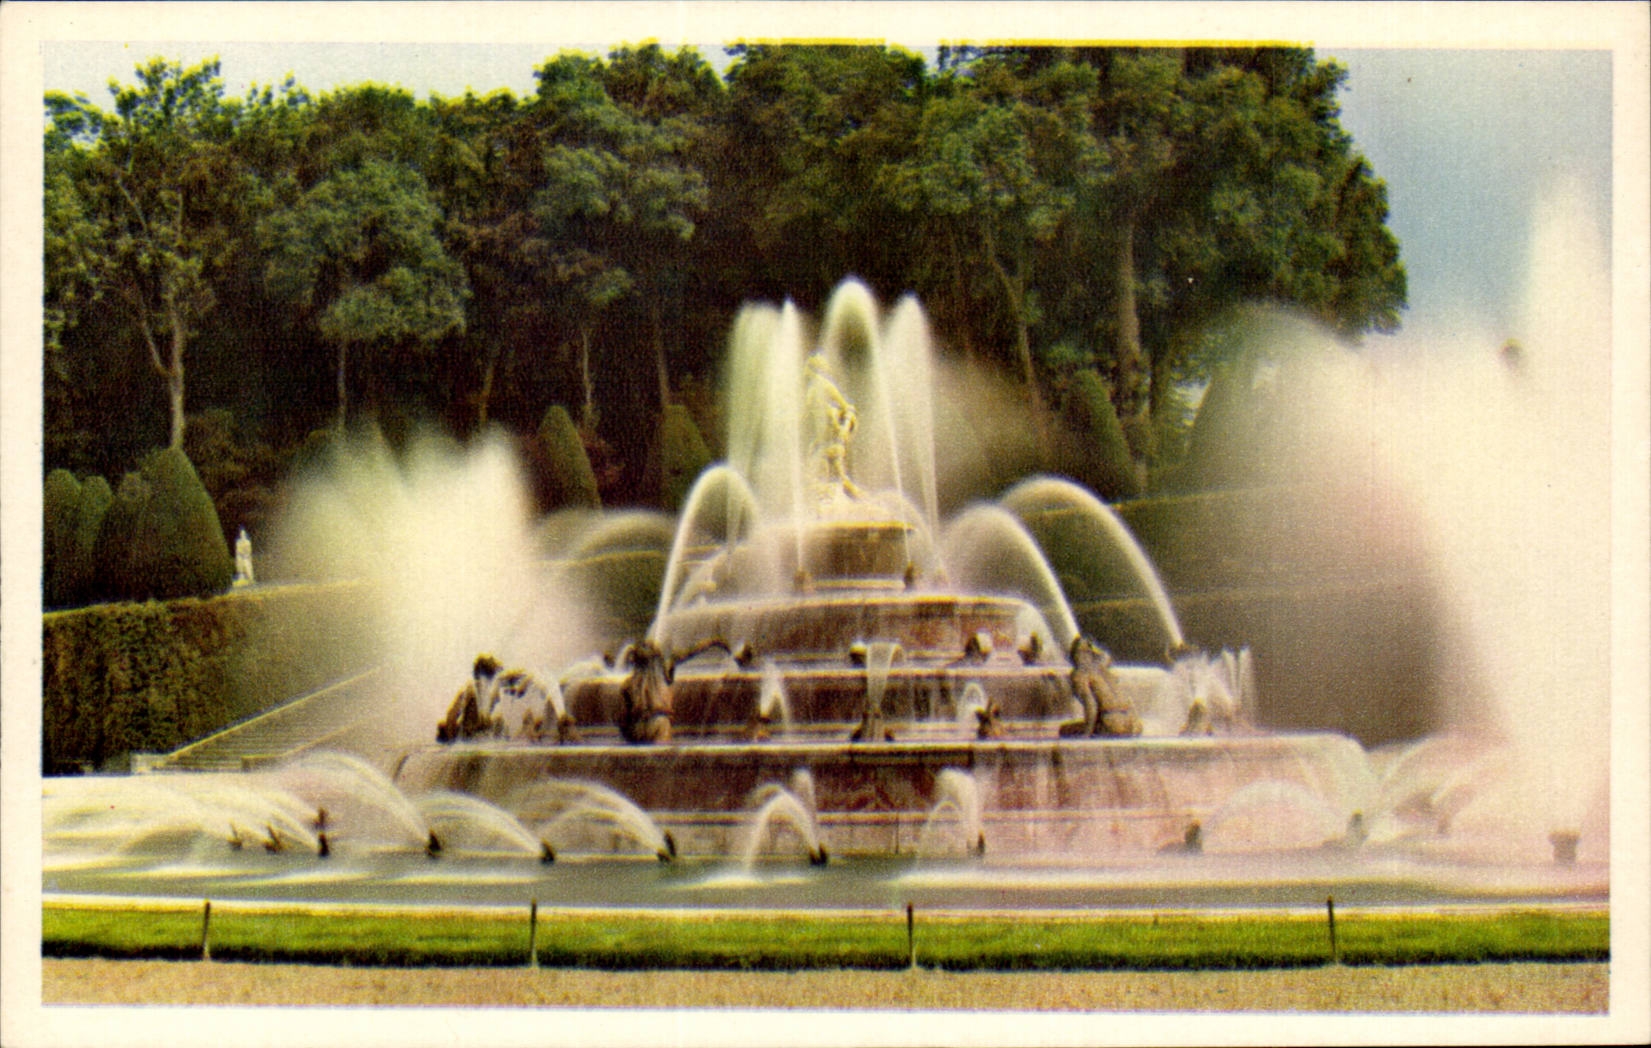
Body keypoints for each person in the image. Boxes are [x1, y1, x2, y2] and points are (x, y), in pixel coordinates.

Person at [436, 654, 502, 742]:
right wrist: (451, 743)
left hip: (479, 736)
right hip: (468, 736)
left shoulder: (491, 692)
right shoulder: (470, 690)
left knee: (499, 721)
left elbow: (451, 715)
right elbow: (451, 715)